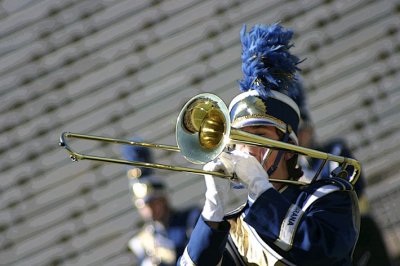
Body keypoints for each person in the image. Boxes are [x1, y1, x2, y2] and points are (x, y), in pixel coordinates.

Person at [177, 23, 360, 265]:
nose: (247, 148)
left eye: (260, 136)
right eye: (239, 139)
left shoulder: (329, 196)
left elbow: (319, 251)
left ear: (287, 149)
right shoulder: (235, 230)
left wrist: (261, 191)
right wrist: (212, 211)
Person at [295, 80, 393, 266]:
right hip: (329, 241)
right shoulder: (294, 170)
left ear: (310, 130)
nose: (300, 138)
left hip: (359, 228)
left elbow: (354, 185)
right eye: (296, 134)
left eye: (302, 131)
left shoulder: (335, 152)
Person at [122, 139, 201, 266]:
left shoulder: (191, 218)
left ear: (164, 199)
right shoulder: (142, 242)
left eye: (153, 202)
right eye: (143, 206)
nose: (149, 210)